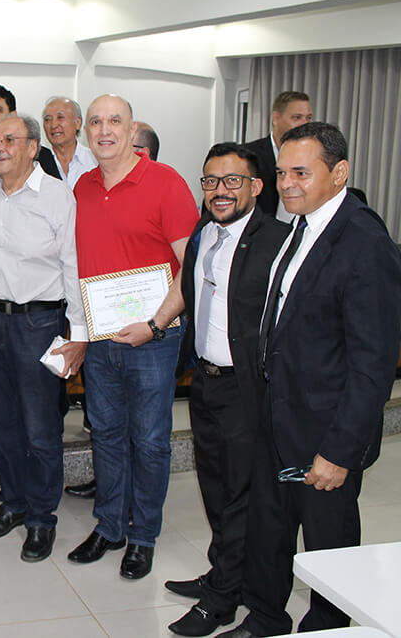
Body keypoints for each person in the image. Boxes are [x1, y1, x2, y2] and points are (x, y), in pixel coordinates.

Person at [217, 122, 401, 638]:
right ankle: (265, 620)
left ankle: (326, 628)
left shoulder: (365, 243)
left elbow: (373, 364)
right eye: (281, 172)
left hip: (325, 434)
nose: (288, 183)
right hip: (278, 422)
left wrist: (340, 451)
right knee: (269, 533)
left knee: (328, 546)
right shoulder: (300, 225)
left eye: (302, 172)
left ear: (339, 174)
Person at [67, 94, 199, 580]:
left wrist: (156, 324)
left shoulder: (165, 183)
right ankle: (109, 526)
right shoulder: (82, 187)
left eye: (115, 121)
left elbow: (191, 266)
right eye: (96, 122)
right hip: (102, 338)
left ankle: (142, 535)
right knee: (106, 434)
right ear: (87, 131)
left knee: (149, 440)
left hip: (155, 338)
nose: (104, 130)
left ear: (131, 128)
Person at [164, 143, 290, 637]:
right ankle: (225, 574)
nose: (220, 191)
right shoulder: (202, 237)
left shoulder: (279, 240)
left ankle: (221, 602)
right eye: (211, 181)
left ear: (257, 187)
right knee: (215, 488)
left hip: (249, 389)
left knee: (240, 494)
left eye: (232, 181)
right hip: (206, 383)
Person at [0, 113, 88, 563]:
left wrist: (77, 333)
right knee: (1, 425)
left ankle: (41, 517)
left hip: (40, 324)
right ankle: (14, 502)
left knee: (40, 429)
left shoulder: (58, 197)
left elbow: (73, 265)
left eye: (9, 139)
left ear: (32, 147)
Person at [243, 91, 312, 220]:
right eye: (297, 118)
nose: (305, 124)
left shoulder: (312, 157)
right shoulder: (249, 155)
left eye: (308, 118)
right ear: (275, 118)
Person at [42, 96, 97, 188]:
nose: (53, 125)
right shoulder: (38, 163)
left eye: (60, 117)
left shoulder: (94, 161)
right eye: (47, 119)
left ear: (78, 123)